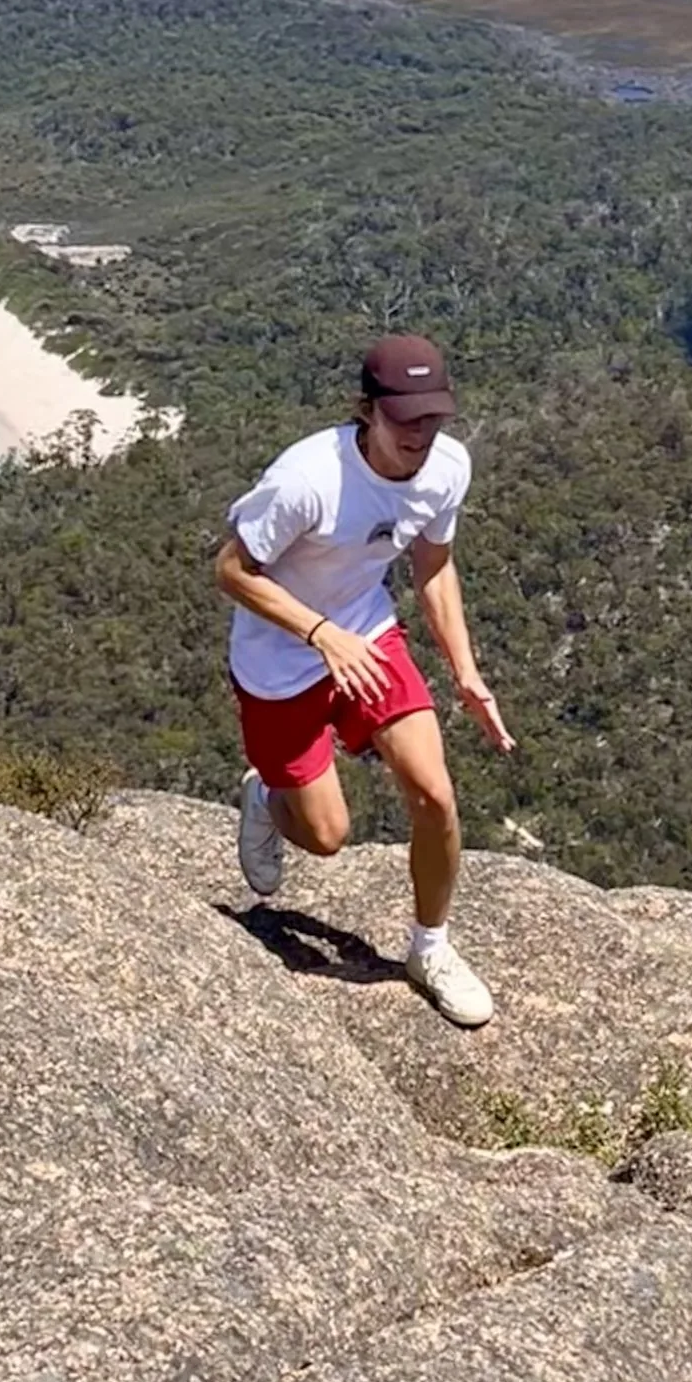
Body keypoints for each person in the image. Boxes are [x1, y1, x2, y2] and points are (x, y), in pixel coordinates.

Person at [213, 332, 513, 1027]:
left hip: (368, 636)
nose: (420, 434)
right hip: (279, 662)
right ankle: (265, 795)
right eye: (405, 418)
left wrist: (466, 671)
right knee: (325, 836)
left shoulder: (447, 469)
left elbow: (432, 566)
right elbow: (230, 570)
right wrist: (318, 633)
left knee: (435, 793)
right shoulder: (306, 478)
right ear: (366, 411)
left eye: (432, 417)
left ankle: (429, 948)